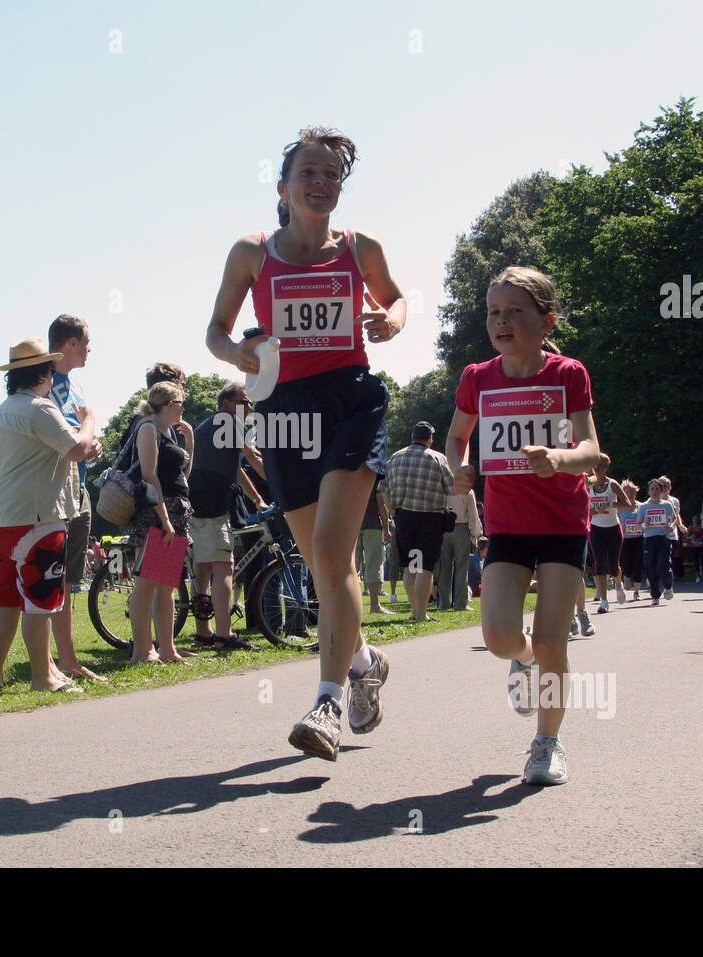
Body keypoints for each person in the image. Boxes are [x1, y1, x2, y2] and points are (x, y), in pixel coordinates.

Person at [206, 126, 406, 760]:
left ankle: (327, 703)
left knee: (330, 550)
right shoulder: (252, 253)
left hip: (351, 400)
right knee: (324, 568)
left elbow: (396, 300)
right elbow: (215, 331)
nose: (321, 183)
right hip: (286, 409)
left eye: (331, 175)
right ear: (284, 186)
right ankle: (365, 660)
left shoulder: (360, 246)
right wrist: (237, 351)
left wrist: (390, 320)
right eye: (309, 173)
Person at [445, 266, 600, 786]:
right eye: (493, 311)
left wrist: (558, 458)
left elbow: (591, 451)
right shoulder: (477, 378)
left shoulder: (567, 374)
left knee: (556, 639)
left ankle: (546, 743)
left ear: (546, 320)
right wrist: (459, 470)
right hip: (508, 525)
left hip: (562, 523)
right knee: (497, 635)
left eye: (515, 311)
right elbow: (456, 438)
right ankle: (523, 658)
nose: (501, 321)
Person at [0, 336, 95, 694]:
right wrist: (89, 422)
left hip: (4, 516)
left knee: (6, 596)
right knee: (41, 597)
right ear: (44, 375)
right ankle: (41, 677)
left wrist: (81, 441)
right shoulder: (41, 408)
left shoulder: (1, 412)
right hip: (39, 515)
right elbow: (77, 449)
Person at [46, 313, 108, 682]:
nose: (89, 349)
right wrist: (86, 431)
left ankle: (68, 660)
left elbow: (78, 435)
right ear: (70, 343)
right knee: (53, 577)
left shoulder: (76, 385)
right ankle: (53, 662)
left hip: (78, 487)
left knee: (69, 577)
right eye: (86, 342)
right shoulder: (42, 382)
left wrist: (91, 445)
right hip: (55, 490)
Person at [187, 381, 269, 650]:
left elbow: (237, 470)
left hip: (197, 497)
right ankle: (224, 635)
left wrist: (257, 499)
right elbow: (253, 456)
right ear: (226, 404)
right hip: (212, 501)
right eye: (244, 402)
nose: (249, 407)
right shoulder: (228, 423)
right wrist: (281, 484)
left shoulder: (212, 425)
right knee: (225, 567)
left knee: (203, 568)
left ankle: (204, 632)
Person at [126, 381, 197, 664]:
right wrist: (164, 519)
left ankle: (167, 649)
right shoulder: (148, 428)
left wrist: (190, 442)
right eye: (181, 404)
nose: (183, 409)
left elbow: (181, 475)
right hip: (158, 513)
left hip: (176, 511)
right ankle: (142, 651)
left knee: (166, 585)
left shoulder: (168, 431)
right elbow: (149, 476)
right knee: (146, 585)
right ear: (169, 405)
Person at [384, 422, 455, 622]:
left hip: (404, 516)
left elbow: (382, 489)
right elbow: (452, 488)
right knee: (425, 566)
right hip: (430, 518)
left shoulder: (396, 457)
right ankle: (422, 614)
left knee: (411, 565)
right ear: (430, 439)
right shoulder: (438, 458)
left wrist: (393, 512)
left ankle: (415, 611)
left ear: (412, 436)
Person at [586, 453, 630, 614]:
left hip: (613, 528)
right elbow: (582, 505)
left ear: (606, 468)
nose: (598, 469)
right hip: (596, 528)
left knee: (613, 566)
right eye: (595, 466)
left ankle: (618, 584)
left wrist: (610, 504)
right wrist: (593, 510)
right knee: (599, 564)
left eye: (601, 466)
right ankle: (604, 601)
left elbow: (627, 504)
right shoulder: (587, 485)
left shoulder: (612, 485)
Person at [438, 487, 482, 612]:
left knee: (444, 569)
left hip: (444, 529)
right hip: (461, 529)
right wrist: (475, 536)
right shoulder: (467, 490)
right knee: (462, 568)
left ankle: (443, 603)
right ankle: (460, 604)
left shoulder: (442, 488)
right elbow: (473, 514)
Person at [635, 479, 677, 606]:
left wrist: (672, 526)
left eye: (657, 489)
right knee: (651, 568)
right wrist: (644, 524)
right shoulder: (643, 507)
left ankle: (668, 586)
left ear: (661, 491)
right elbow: (638, 525)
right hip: (649, 540)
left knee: (662, 566)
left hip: (663, 538)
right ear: (648, 491)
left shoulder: (666, 505)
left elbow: (674, 518)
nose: (654, 491)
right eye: (652, 489)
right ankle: (655, 595)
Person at [356, 483, 393, 614]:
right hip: (371, 525)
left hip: (352, 525)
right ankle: (374, 605)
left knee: (352, 569)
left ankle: (352, 606)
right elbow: (382, 506)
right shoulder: (374, 478)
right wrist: (386, 529)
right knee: (374, 565)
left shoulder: (347, 473)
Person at [617, 480, 644, 600]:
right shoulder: (620, 507)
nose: (630, 495)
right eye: (627, 492)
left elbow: (646, 520)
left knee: (638, 564)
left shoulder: (641, 506)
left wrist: (642, 525)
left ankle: (636, 592)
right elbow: (615, 521)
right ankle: (626, 576)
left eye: (632, 492)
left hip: (639, 539)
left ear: (636, 493)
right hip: (625, 540)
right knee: (626, 564)